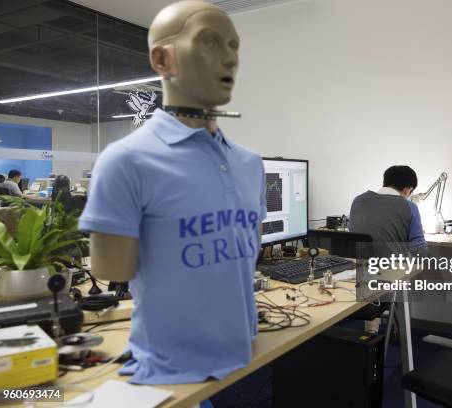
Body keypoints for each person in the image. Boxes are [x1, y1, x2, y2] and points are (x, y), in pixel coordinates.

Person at [79, 0, 266, 390]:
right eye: (211, 42)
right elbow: (112, 271)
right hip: (169, 370)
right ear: (162, 60)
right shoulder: (125, 161)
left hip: (249, 354)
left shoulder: (250, 164)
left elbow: (243, 257)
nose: (230, 59)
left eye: (234, 46)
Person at [349, 165, 428, 333]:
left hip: (357, 275)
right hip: (388, 277)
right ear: (407, 190)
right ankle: (399, 329)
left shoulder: (358, 200)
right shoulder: (410, 208)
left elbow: (352, 235)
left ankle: (372, 331)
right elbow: (420, 249)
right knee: (403, 275)